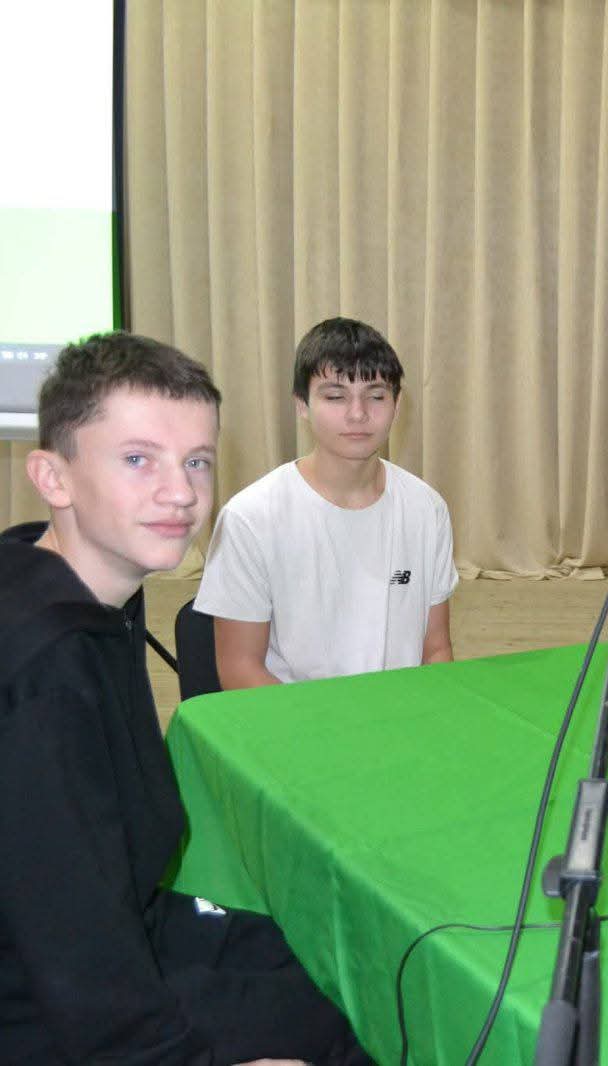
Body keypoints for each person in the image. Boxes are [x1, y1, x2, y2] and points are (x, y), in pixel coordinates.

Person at [0, 332, 371, 1064]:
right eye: (138, 459)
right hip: (44, 1006)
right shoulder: (43, 675)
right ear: (53, 476)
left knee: (350, 965)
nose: (181, 493)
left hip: (121, 931)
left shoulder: (75, 582)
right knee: (352, 1028)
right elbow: (77, 964)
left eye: (196, 461)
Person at [196, 317, 458, 687]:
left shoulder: (426, 508)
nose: (357, 413)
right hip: (297, 715)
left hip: (403, 712)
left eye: (376, 396)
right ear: (302, 405)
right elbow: (240, 669)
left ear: (397, 405)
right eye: (335, 396)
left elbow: (436, 650)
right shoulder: (250, 518)